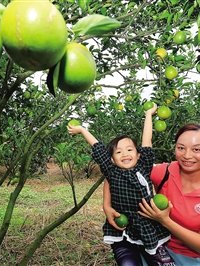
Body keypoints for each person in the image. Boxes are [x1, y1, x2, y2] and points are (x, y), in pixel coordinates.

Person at [103, 123, 200, 266]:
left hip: (196, 259)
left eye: (196, 149)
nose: (187, 155)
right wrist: (106, 205)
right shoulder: (164, 173)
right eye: (181, 148)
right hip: (159, 248)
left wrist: (165, 220)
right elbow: (119, 174)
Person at [68, 104, 175, 266]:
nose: (124, 154)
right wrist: (83, 130)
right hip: (122, 227)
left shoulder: (144, 166)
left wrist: (148, 115)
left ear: (138, 155)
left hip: (146, 223)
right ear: (112, 159)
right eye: (118, 152)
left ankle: (157, 251)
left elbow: (147, 140)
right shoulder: (111, 170)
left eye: (129, 150)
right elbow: (98, 148)